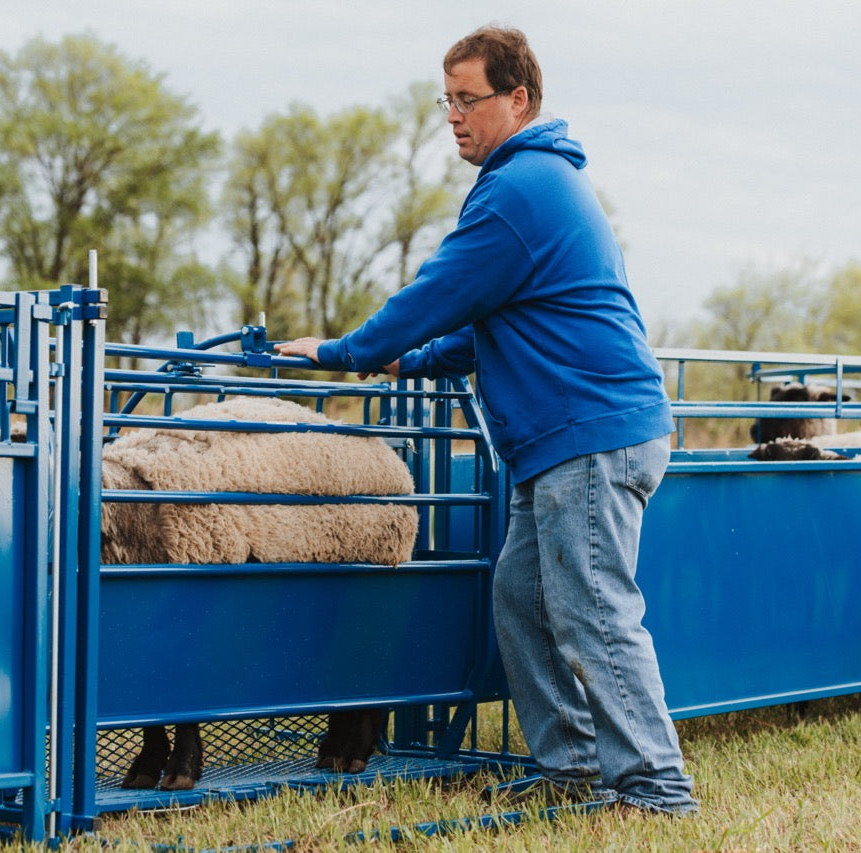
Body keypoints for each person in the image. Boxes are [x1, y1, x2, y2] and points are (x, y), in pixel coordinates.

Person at [275, 25, 697, 815]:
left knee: (593, 607)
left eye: (468, 100)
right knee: (522, 596)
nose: (454, 117)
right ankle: (571, 763)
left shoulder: (519, 190)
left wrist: (348, 351)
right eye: (448, 101)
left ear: (518, 99)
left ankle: (655, 785)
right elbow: (485, 324)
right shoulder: (534, 185)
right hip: (565, 438)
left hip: (592, 434)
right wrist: (410, 361)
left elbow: (436, 294)